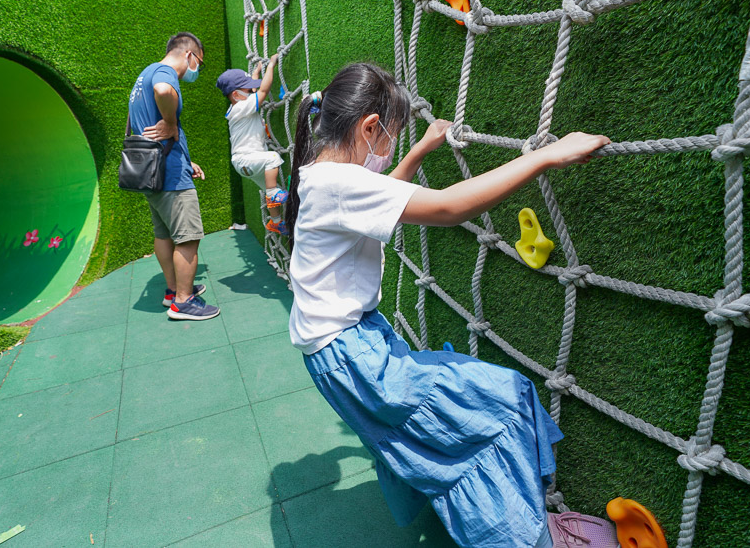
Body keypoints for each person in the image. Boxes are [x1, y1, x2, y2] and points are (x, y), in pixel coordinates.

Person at [283, 62, 611, 547]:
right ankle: (527, 537)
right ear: (369, 128)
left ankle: (519, 522)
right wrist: (546, 157)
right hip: (355, 357)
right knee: (497, 406)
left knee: (444, 426)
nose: (389, 148)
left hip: (344, 351)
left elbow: (382, 195)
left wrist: (416, 151)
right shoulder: (338, 183)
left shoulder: (322, 175)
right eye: (391, 136)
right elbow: (448, 206)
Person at [129, 32, 220, 321]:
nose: (196, 71)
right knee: (188, 238)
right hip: (169, 177)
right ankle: (183, 301)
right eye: (200, 64)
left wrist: (184, 157)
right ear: (190, 55)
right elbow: (165, 92)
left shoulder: (143, 74)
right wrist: (170, 123)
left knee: (164, 234)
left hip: (152, 172)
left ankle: (173, 290)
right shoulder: (164, 73)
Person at [216, 55, 289, 235]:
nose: (251, 92)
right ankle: (272, 193)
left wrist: (255, 72)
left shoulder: (237, 106)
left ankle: (276, 221)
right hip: (247, 160)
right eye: (247, 90)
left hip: (247, 163)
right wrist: (271, 65)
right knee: (273, 158)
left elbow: (255, 89)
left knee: (270, 186)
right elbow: (263, 91)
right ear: (236, 95)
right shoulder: (242, 107)